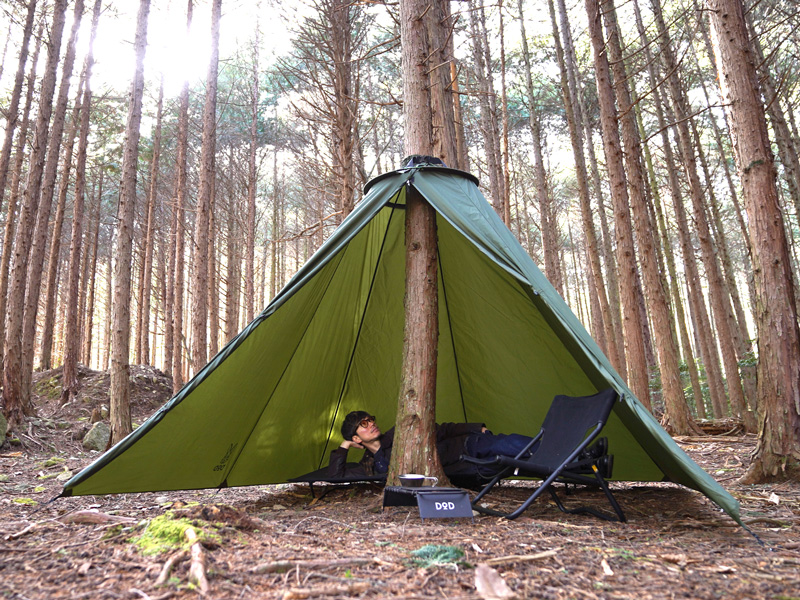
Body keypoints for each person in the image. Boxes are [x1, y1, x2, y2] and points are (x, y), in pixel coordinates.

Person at [327, 410, 538, 484]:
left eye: (370, 419)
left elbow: (442, 429)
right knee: (515, 464)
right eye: (363, 424)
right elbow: (335, 476)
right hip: (467, 470)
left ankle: (558, 455)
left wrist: (476, 427)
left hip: (466, 447)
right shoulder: (371, 466)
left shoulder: (398, 432)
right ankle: (560, 466)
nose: (371, 423)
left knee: (506, 443)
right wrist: (344, 445)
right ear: (357, 439)